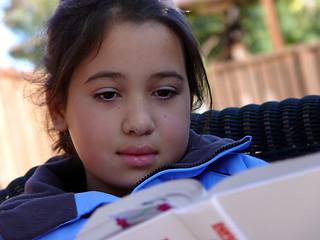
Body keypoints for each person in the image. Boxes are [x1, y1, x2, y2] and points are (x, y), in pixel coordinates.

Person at [0, 0, 267, 239]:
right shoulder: (21, 228)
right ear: (58, 110)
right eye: (107, 95)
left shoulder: (246, 180)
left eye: (164, 92)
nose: (139, 123)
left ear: (190, 99)